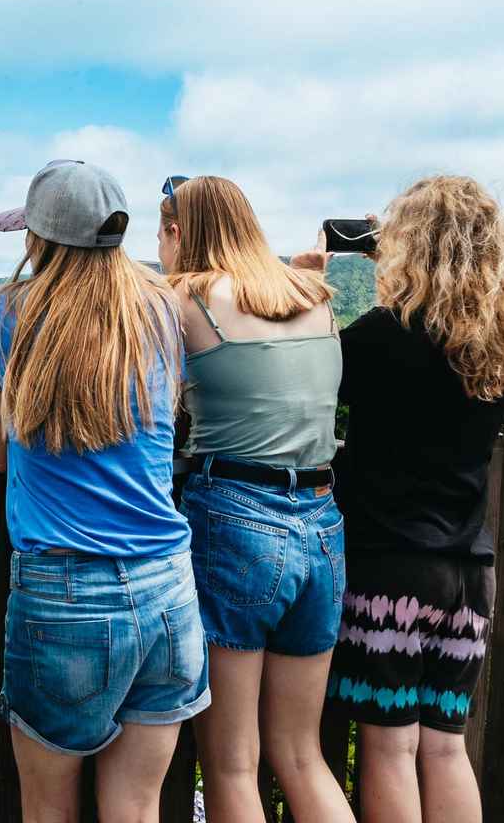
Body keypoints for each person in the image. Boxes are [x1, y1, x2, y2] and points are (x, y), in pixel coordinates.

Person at [0, 160, 208, 823]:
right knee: (136, 808)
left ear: (36, 240)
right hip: (167, 588)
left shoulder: (2, 314)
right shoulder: (160, 310)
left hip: (65, 593)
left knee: (49, 811)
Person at [300, 175, 504, 823]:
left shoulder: (384, 335)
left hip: (392, 569)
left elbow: (313, 370)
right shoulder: (495, 346)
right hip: (470, 575)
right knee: (442, 748)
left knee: (389, 747)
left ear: (408, 245)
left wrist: (314, 282)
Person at [158, 175, 353, 823]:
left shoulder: (185, 297)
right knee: (302, 755)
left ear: (179, 232)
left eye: (162, 234)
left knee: (232, 765)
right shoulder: (314, 295)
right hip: (323, 523)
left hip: (237, 519)